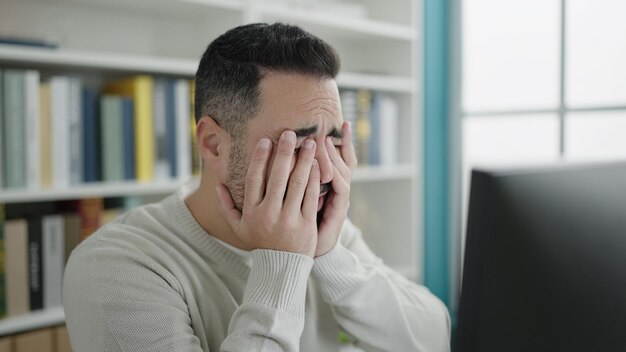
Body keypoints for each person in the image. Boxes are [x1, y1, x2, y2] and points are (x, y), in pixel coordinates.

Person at [63, 23, 450, 351]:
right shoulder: (114, 266)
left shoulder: (320, 227)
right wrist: (282, 262)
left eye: (332, 140)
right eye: (295, 144)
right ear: (213, 144)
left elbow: (434, 336)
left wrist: (327, 256)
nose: (326, 172)